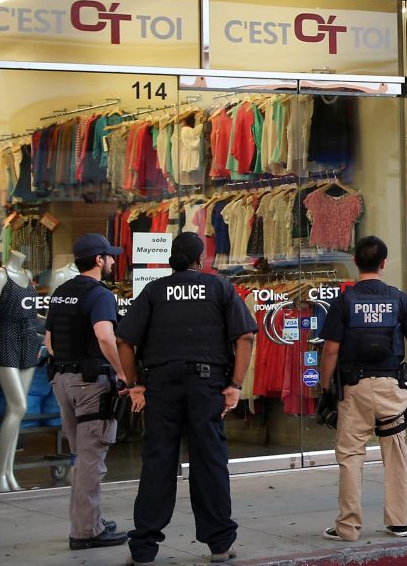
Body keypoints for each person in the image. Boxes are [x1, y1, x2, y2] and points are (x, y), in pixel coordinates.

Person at [116, 232, 257, 565]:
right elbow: (246, 336)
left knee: (158, 463)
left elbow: (124, 340)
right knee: (209, 462)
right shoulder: (219, 288)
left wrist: (134, 384)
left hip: (161, 386)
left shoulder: (154, 291)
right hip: (206, 385)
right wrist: (236, 385)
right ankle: (220, 545)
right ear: (200, 258)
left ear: (172, 261)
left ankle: (144, 548)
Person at [317, 235, 407, 542]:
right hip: (391, 388)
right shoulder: (399, 299)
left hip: (355, 389)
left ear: (355, 262)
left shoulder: (344, 302)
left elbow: (330, 351)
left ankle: (348, 527)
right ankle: (399, 522)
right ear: (383, 263)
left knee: (351, 455)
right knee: (396, 454)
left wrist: (326, 388)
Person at [44, 234, 129, 549]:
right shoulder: (100, 295)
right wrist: (123, 373)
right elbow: (105, 337)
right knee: (92, 459)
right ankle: (86, 532)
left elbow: (50, 343)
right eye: (109, 256)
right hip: (91, 384)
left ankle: (88, 520)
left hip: (63, 381)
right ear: (98, 260)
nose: (112, 261)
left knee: (81, 457)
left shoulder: (61, 293)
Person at [0, 249, 43, 493]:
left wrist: (52, 322)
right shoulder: (1, 274)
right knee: (19, 407)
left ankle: (9, 474)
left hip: (29, 338)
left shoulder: (28, 274)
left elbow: (32, 311)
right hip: (7, 337)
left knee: (15, 411)